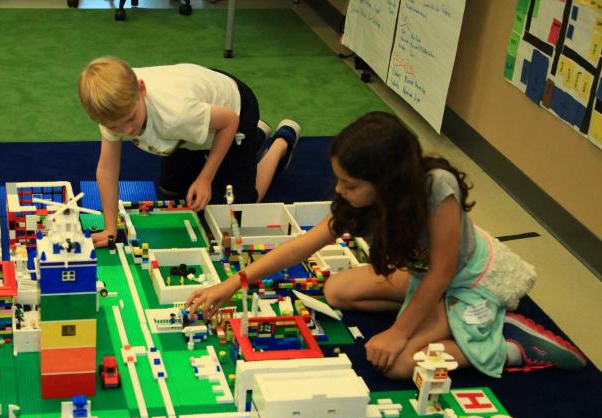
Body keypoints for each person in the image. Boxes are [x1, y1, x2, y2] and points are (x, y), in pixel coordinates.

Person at [186, 111, 586, 379]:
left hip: (464, 281)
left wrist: (400, 332)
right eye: (340, 179)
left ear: (387, 180)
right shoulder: (365, 198)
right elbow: (301, 246)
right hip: (424, 274)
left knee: (396, 365)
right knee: (336, 290)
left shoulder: (437, 189)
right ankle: (447, 320)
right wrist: (234, 283)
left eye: (351, 185)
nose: (340, 191)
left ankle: (508, 344)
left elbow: (444, 271)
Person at [78, 56, 301, 248]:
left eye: (130, 119)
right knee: (173, 193)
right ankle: (256, 136)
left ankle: (280, 142)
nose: (127, 130)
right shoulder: (112, 107)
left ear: (142, 90)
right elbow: (107, 168)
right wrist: (110, 228)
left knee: (238, 212)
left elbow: (230, 122)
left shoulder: (177, 113)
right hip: (188, 129)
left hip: (234, 114)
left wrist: (205, 178)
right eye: (116, 127)